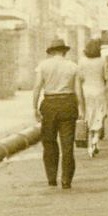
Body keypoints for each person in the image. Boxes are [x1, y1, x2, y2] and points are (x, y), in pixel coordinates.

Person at [32, 37, 84, 189]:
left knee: (49, 142)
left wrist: (34, 107)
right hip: (68, 103)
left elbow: (37, 88)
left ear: (51, 51)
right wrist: (82, 110)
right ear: (64, 51)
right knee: (67, 144)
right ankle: (66, 179)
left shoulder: (43, 66)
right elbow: (78, 92)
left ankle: (51, 177)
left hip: (49, 104)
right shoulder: (73, 66)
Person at [76, 38, 106, 158]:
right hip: (99, 89)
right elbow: (105, 76)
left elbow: (80, 77)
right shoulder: (102, 60)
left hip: (86, 90)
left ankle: (89, 143)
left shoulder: (82, 61)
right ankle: (96, 139)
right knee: (99, 114)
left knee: (88, 115)